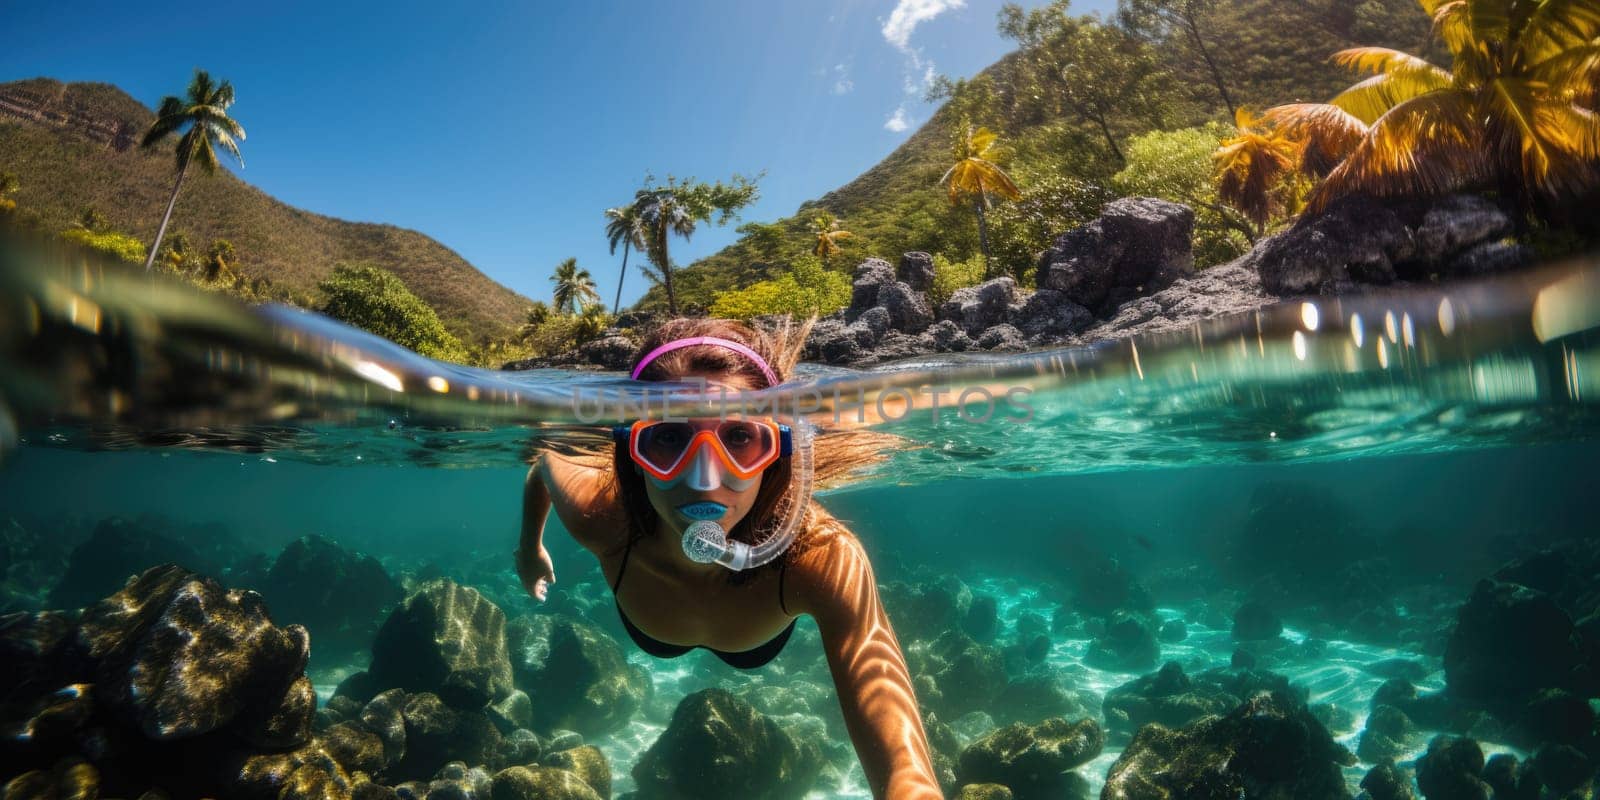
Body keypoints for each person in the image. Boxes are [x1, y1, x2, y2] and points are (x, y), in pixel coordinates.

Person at [515, 317, 944, 800]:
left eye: (739, 438)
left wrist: (912, 787)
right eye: (669, 437)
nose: (703, 480)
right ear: (633, 450)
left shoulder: (820, 554)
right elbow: (543, 467)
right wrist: (529, 547)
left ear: (780, 447)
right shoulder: (602, 517)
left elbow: (883, 693)